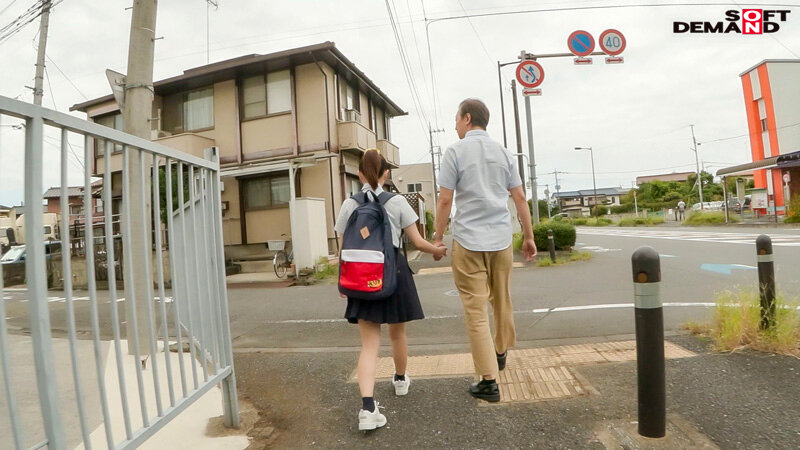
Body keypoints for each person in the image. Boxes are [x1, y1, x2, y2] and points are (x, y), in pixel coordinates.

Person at [335, 149, 447, 431]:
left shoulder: (349, 205)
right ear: (386, 174)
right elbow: (418, 242)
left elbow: (343, 247)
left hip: (362, 275)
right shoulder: (397, 202)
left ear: (359, 173)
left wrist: (344, 280)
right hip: (394, 273)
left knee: (369, 344)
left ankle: (367, 408)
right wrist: (437, 250)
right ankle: (399, 380)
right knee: (398, 333)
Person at [433, 98, 537, 402]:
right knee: (502, 300)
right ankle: (500, 352)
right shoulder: (504, 153)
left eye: (456, 119)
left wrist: (437, 237)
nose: (454, 125)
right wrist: (528, 236)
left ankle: (489, 381)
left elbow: (444, 200)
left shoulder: (454, 151)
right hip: (502, 240)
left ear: (467, 118)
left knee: (476, 312)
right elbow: (519, 198)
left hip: (467, 241)